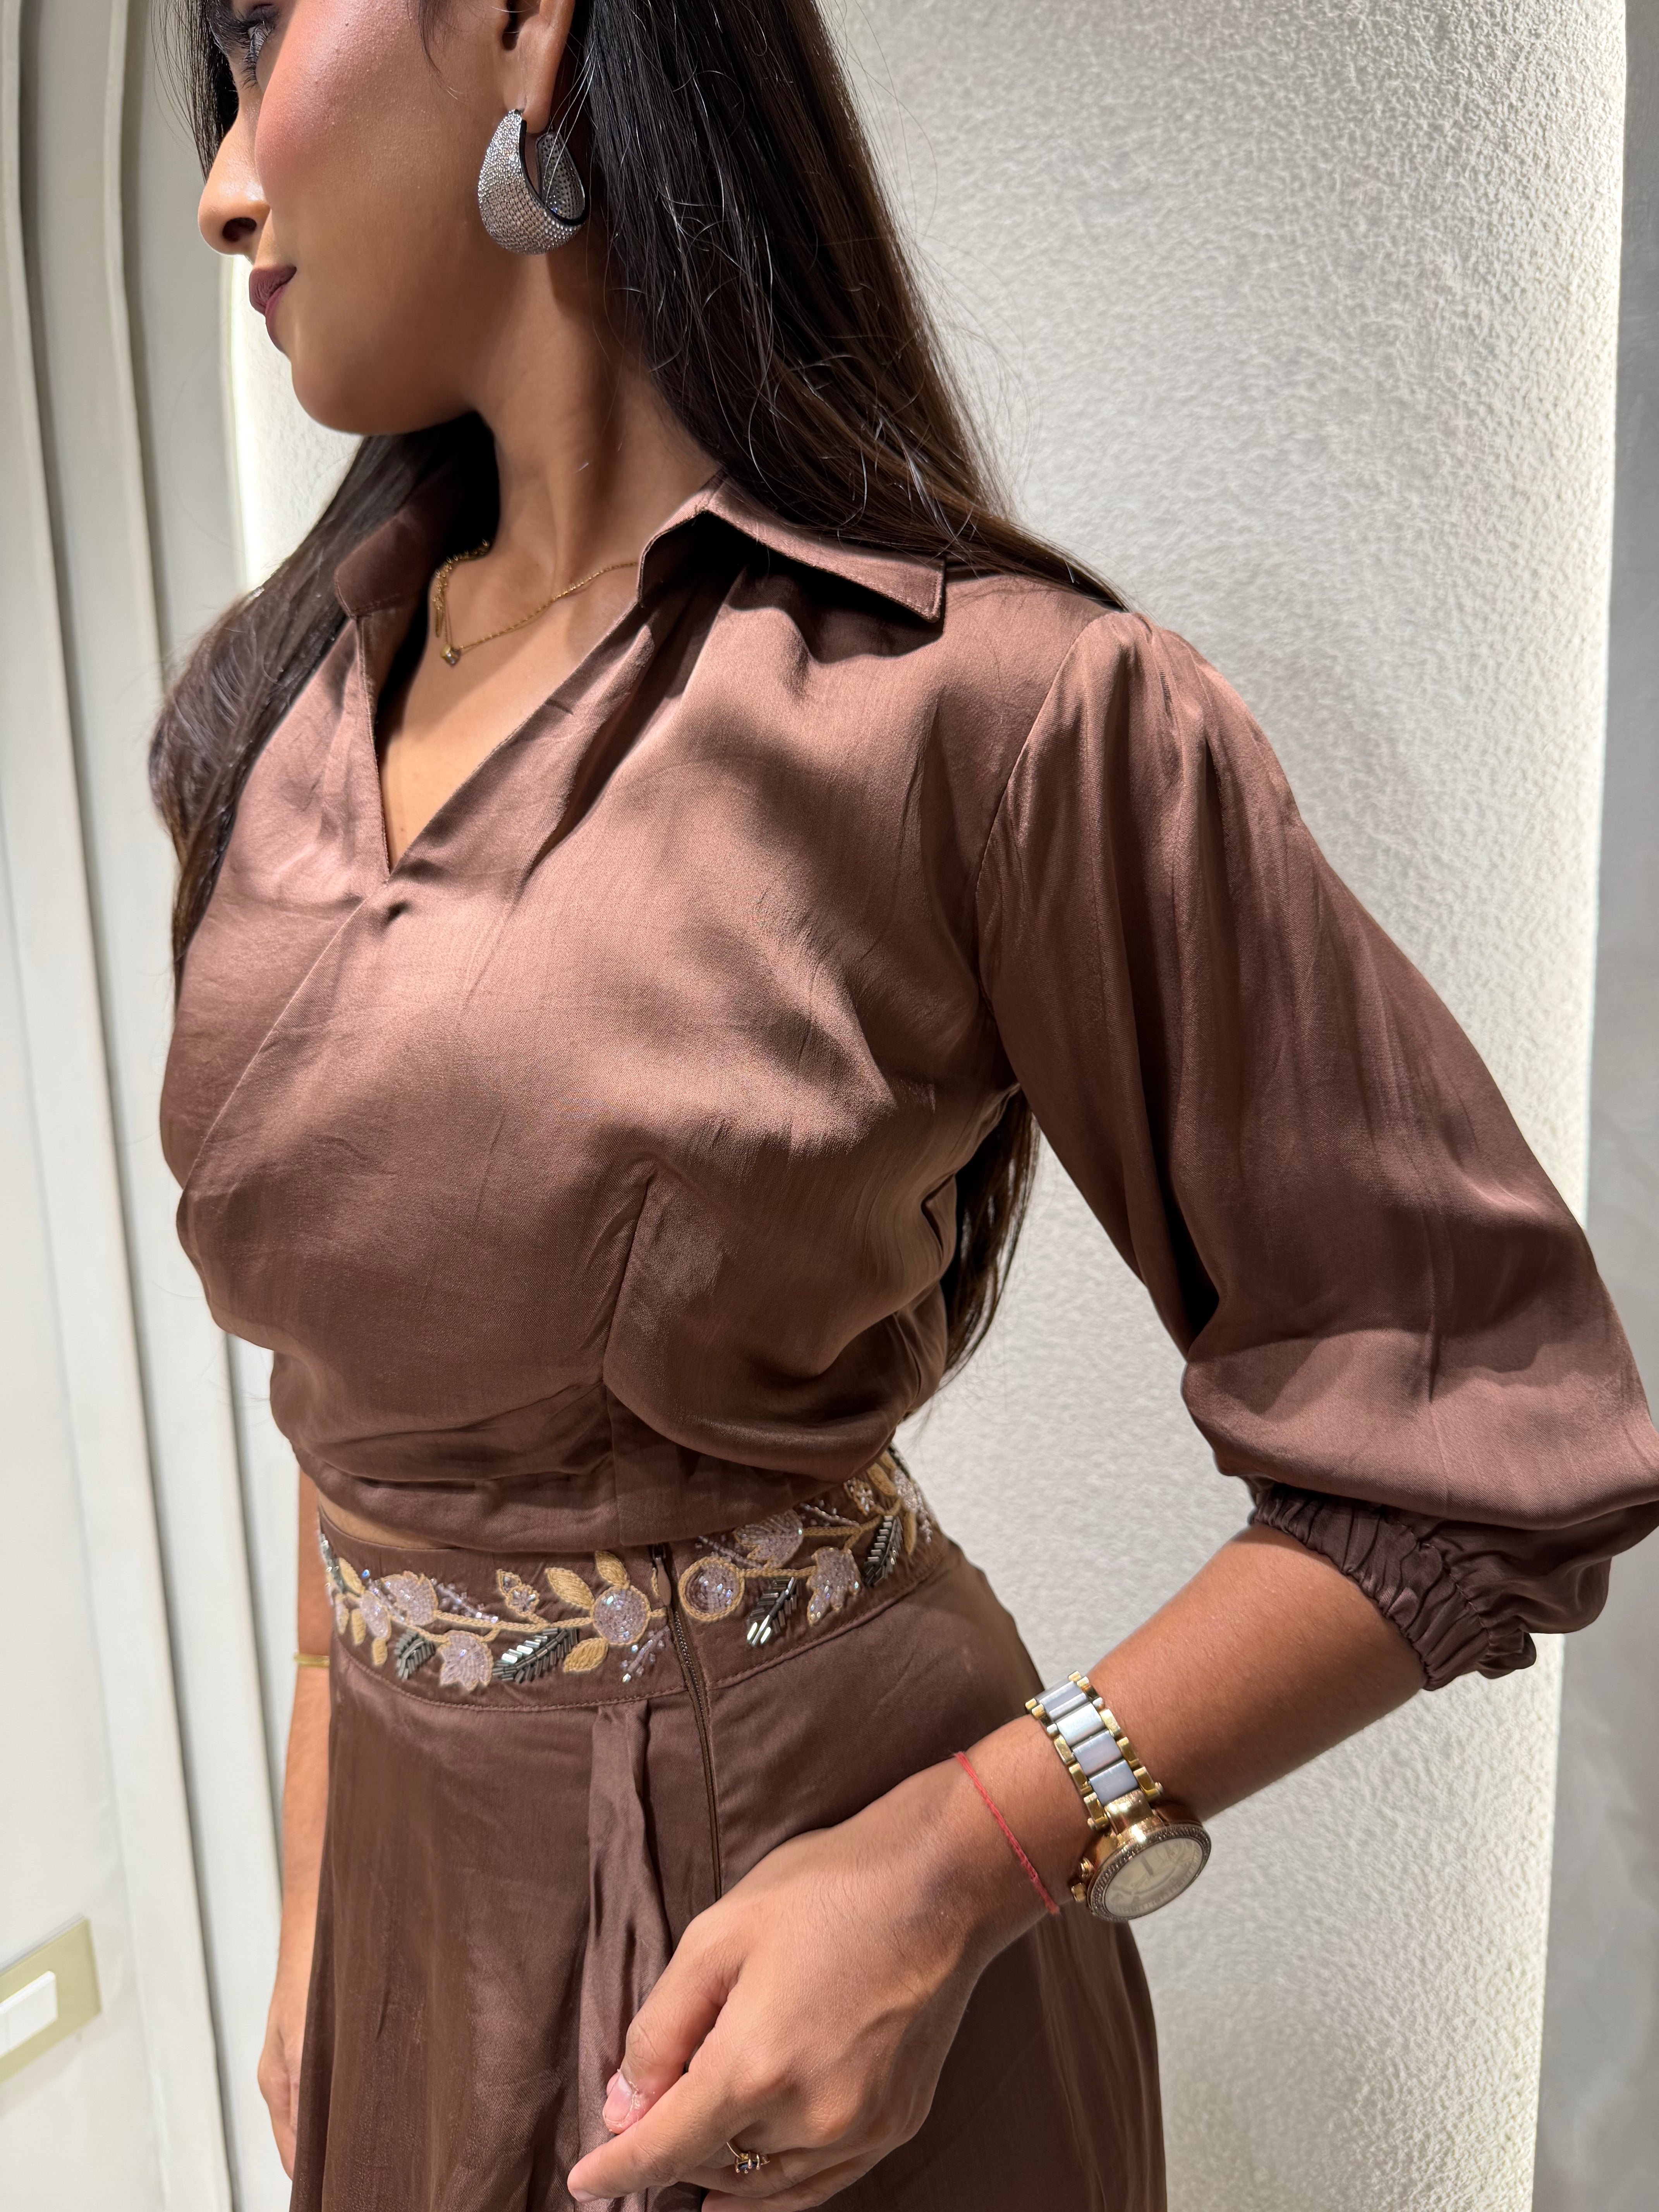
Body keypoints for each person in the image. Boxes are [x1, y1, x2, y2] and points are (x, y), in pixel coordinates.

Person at [153, 2, 1659, 2207]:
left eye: (259, 30)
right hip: (406, 1905)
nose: (221, 184)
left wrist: (970, 1860)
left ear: (528, 25)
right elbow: (362, 1366)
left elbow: (1484, 1435)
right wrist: (318, 1886)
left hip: (804, 1922)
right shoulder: (268, 715)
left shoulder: (988, 712)